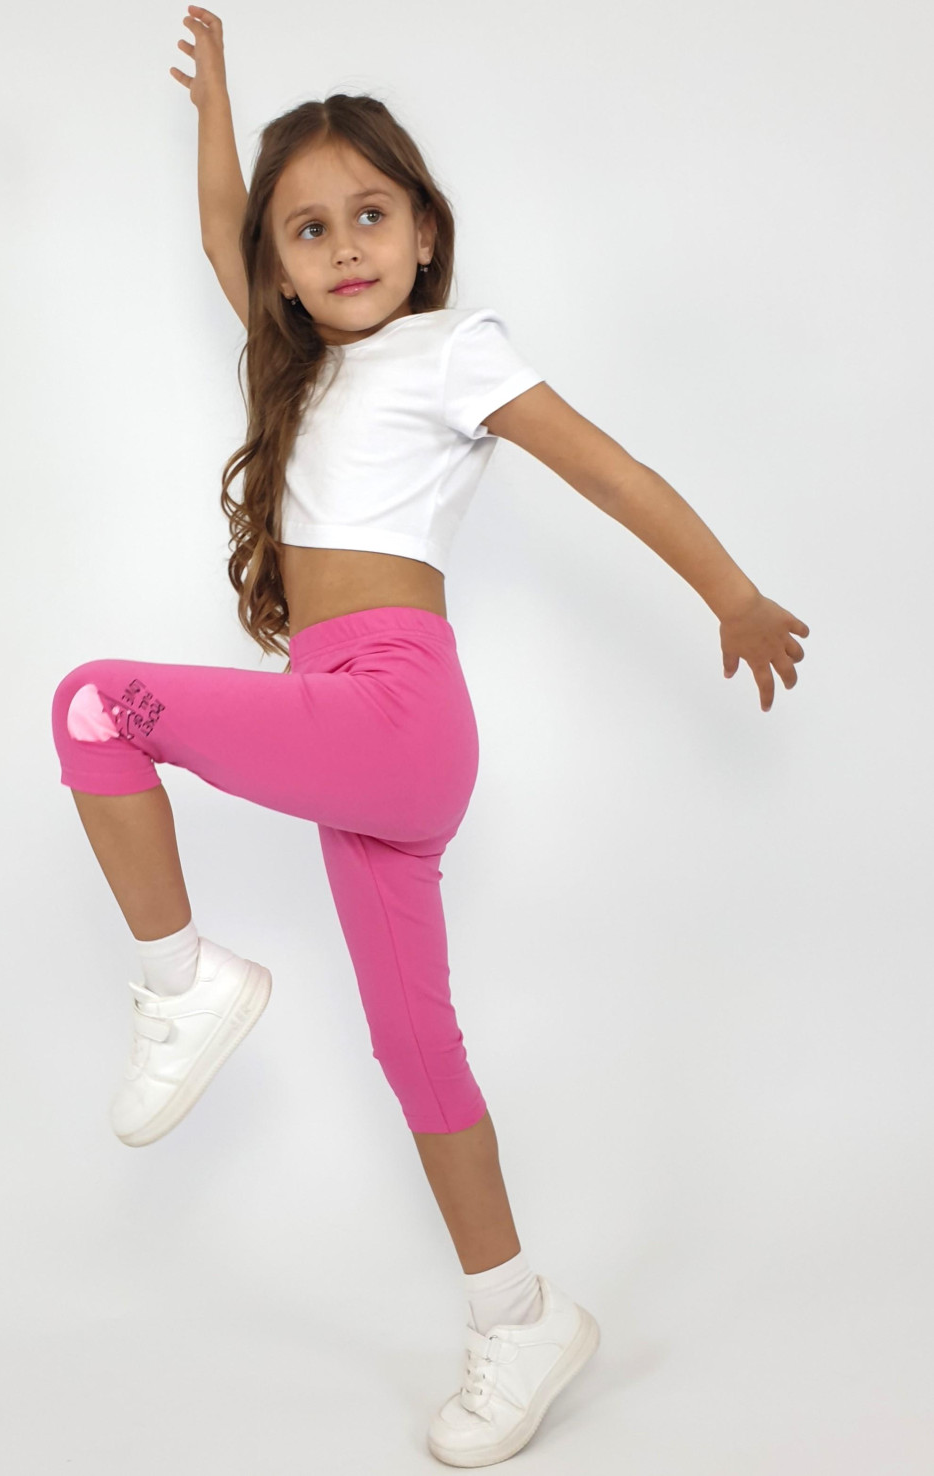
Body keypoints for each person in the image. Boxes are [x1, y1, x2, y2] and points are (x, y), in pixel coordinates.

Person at [50, 9, 811, 1466]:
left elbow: (609, 471)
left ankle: (182, 983)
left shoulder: (453, 350)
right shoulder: (294, 370)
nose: (342, 247)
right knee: (418, 1051)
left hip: (394, 710)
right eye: (308, 229)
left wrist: (730, 592)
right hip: (355, 727)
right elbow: (217, 227)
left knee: (97, 705)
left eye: (370, 214)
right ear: (279, 267)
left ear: (422, 231)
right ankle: (518, 1316)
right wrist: (216, 106)